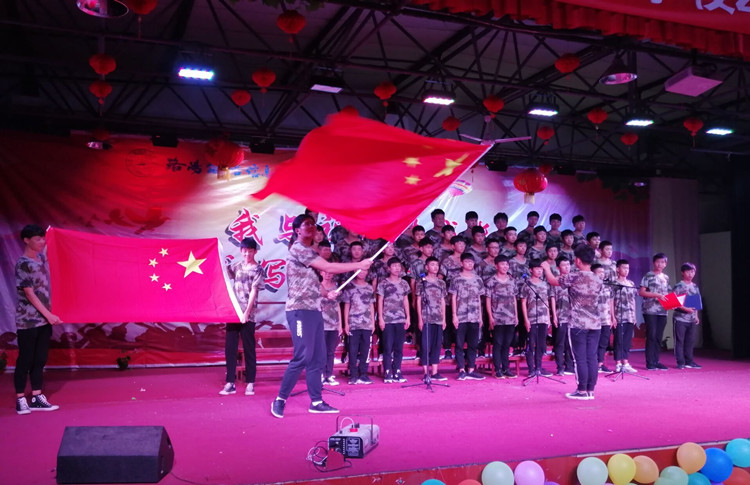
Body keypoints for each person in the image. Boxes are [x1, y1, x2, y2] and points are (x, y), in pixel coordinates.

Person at [271, 214, 371, 419]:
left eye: (313, 224)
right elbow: (328, 267)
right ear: (297, 230)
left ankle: (316, 401)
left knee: (318, 358)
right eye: (306, 224)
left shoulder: (310, 252)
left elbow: (314, 283)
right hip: (299, 311)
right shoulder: (298, 248)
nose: (311, 227)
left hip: (315, 311)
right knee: (302, 356)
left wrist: (327, 294)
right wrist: (358, 265)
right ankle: (280, 399)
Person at [541, 245, 603, 400]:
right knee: (592, 357)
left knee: (580, 358)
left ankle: (582, 391)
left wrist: (546, 268)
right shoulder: (598, 278)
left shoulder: (574, 276)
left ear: (578, 260)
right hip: (595, 324)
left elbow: (553, 281)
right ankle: (590, 391)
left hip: (578, 324)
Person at [14, 224, 61, 415]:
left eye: (43, 238)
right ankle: (20, 399)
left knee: (40, 360)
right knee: (25, 360)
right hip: (28, 321)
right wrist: (48, 315)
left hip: (44, 321)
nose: (41, 242)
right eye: (37, 239)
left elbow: (50, 249)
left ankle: (36, 396)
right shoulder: (22, 263)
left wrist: (52, 234)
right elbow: (29, 293)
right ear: (26, 240)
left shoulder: (41, 258)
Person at [222, 237, 264, 397]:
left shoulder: (258, 269)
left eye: (250, 251)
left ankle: (250, 382)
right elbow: (222, 274)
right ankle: (230, 382)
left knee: (249, 348)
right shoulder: (237, 266)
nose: (247, 254)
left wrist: (246, 312)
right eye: (244, 251)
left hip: (248, 315)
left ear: (255, 251)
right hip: (233, 313)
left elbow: (254, 291)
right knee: (230, 348)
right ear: (241, 251)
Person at [449, 253, 486, 380]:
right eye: (467, 262)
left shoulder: (478, 279)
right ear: (461, 263)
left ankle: (471, 369)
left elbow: (479, 299)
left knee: (473, 344)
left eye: (471, 262)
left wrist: (480, 317)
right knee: (459, 344)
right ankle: (461, 369)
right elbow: (453, 297)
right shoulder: (456, 279)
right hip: (461, 316)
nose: (470, 264)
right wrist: (454, 315)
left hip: (474, 316)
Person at [377, 257, 411, 383]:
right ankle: (387, 372)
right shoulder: (383, 283)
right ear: (389, 268)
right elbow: (380, 300)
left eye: (398, 266)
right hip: (387, 319)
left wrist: (408, 317)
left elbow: (405, 300)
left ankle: (397, 371)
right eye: (394, 266)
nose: (397, 268)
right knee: (387, 346)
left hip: (400, 319)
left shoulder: (404, 283)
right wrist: (380, 318)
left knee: (399, 347)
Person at [485, 255, 518, 378]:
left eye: (507, 264)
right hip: (497, 317)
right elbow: (488, 300)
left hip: (510, 317)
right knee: (498, 344)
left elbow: (514, 298)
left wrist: (516, 316)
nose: (505, 266)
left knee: (507, 344)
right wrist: (490, 317)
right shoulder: (491, 281)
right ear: (496, 266)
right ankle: (497, 369)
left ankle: (506, 368)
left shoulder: (512, 280)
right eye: (502, 264)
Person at [416, 256, 448, 381]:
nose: (435, 267)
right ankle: (426, 373)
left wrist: (444, 319)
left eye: (437, 265)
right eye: (432, 265)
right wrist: (420, 319)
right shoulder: (422, 282)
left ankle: (435, 372)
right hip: (426, 317)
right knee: (425, 345)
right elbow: (418, 301)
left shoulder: (441, 283)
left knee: (437, 345)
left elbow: (443, 301)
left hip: (438, 318)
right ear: (426, 267)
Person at [520, 260, 553, 376]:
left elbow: (546, 301)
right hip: (532, 318)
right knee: (531, 344)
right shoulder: (527, 284)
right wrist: (526, 319)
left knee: (541, 344)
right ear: (531, 270)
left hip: (543, 318)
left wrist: (549, 318)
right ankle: (531, 369)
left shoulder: (545, 284)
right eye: (537, 268)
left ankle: (539, 367)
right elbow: (523, 303)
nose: (539, 271)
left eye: (541, 269)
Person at [343, 269, 376, 385]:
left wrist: (373, 322)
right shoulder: (349, 287)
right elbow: (346, 306)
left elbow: (371, 305)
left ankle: (363, 374)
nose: (362, 273)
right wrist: (346, 324)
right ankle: (353, 375)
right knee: (352, 350)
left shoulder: (369, 287)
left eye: (364, 271)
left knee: (365, 350)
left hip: (367, 324)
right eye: (359, 270)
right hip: (353, 323)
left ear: (367, 272)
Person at [638, 253, 670, 371]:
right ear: (653, 263)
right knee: (651, 335)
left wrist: (673, 302)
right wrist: (656, 295)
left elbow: (667, 294)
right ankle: (650, 362)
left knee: (658, 336)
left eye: (662, 262)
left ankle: (656, 361)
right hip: (650, 309)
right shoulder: (648, 275)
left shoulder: (666, 277)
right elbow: (641, 292)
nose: (660, 264)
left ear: (665, 264)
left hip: (663, 310)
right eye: (657, 262)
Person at [672, 262, 702, 370]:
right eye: (688, 271)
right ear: (682, 272)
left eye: (693, 272)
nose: (691, 274)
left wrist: (696, 316)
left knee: (690, 340)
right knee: (680, 341)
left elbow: (696, 302)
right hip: (680, 318)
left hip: (691, 318)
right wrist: (685, 309)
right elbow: (673, 302)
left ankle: (689, 361)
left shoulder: (695, 286)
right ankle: (680, 362)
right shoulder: (678, 286)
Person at [612, 259, 638, 374]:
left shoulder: (631, 283)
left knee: (627, 341)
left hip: (630, 316)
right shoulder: (614, 283)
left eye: (628, 268)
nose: (626, 270)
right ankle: (618, 363)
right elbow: (611, 301)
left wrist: (634, 315)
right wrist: (613, 317)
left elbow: (633, 300)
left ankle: (626, 363)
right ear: (618, 269)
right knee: (619, 340)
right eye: (624, 268)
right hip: (619, 316)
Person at [550, 257, 574, 376]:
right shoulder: (555, 282)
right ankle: (560, 367)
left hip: (573, 318)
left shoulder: (574, 281)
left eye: (568, 265)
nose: (567, 267)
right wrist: (554, 316)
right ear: (558, 268)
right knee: (560, 343)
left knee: (571, 343)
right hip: (561, 316)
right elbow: (552, 299)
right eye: (564, 265)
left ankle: (570, 366)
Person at [591, 264, 616, 373]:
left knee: (603, 343)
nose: (602, 274)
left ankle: (600, 364)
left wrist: (612, 317)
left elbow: (611, 302)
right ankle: (592, 364)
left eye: (603, 272)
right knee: (593, 343)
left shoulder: (608, 287)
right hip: (594, 320)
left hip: (606, 319)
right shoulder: (590, 286)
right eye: (599, 272)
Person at [320, 270, 342, 386]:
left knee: (331, 351)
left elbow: (338, 306)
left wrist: (340, 324)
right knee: (321, 351)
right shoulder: (318, 287)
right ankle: (320, 374)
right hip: (321, 324)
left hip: (333, 324)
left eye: (330, 272)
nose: (328, 274)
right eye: (325, 272)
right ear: (321, 273)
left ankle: (329, 375)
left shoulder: (336, 287)